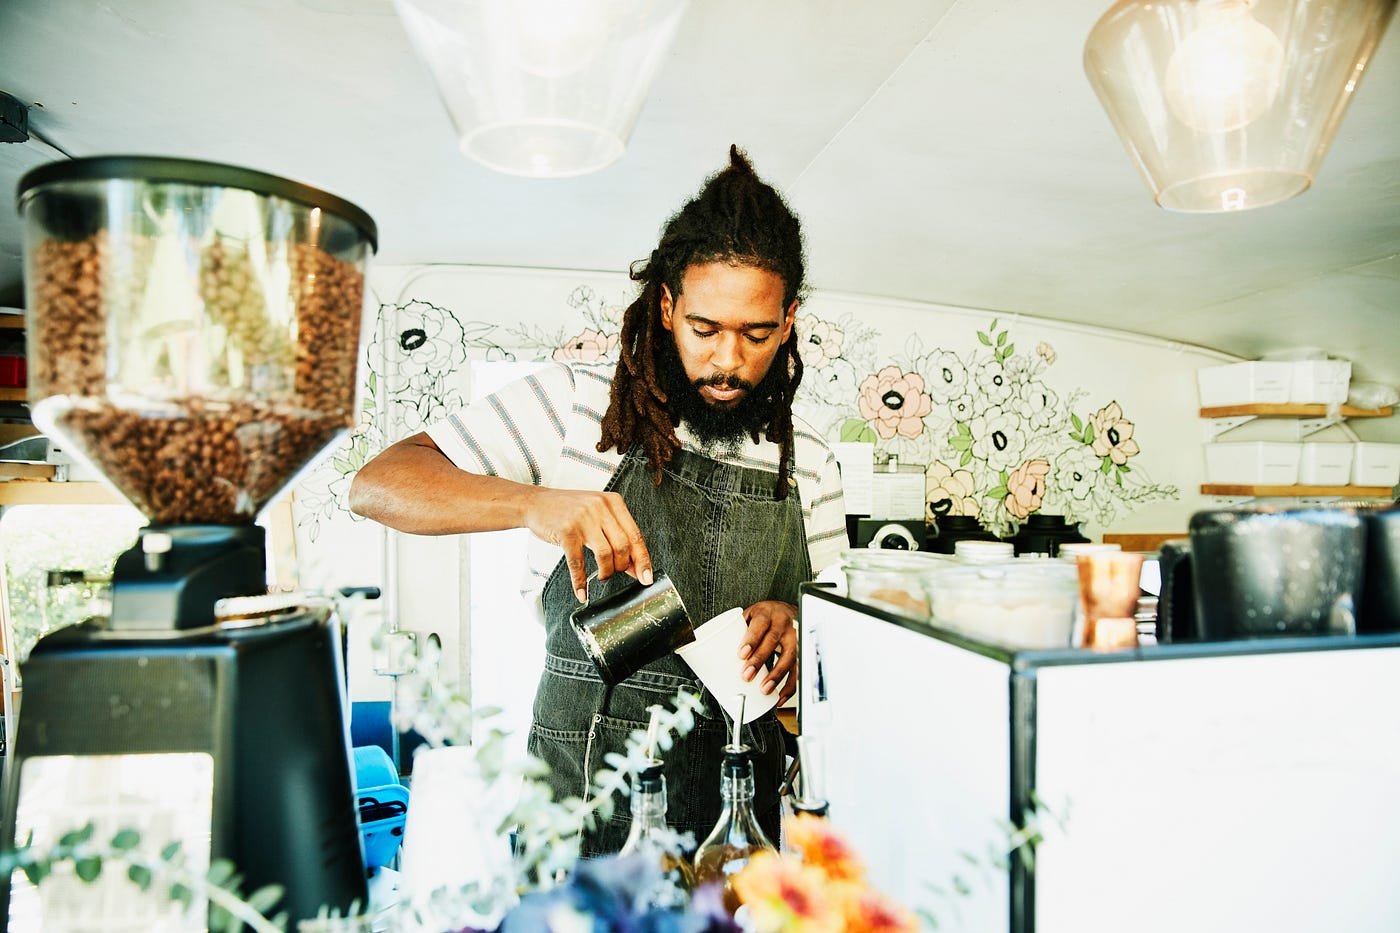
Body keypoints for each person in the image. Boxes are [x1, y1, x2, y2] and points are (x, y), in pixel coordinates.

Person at [349, 145, 846, 854]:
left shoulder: (812, 466)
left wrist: (798, 625)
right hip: (580, 814)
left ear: (789, 319)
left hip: (742, 825)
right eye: (705, 329)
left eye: (757, 332)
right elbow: (377, 483)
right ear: (668, 306)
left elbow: (846, 652)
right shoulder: (578, 406)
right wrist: (532, 504)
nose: (728, 359)